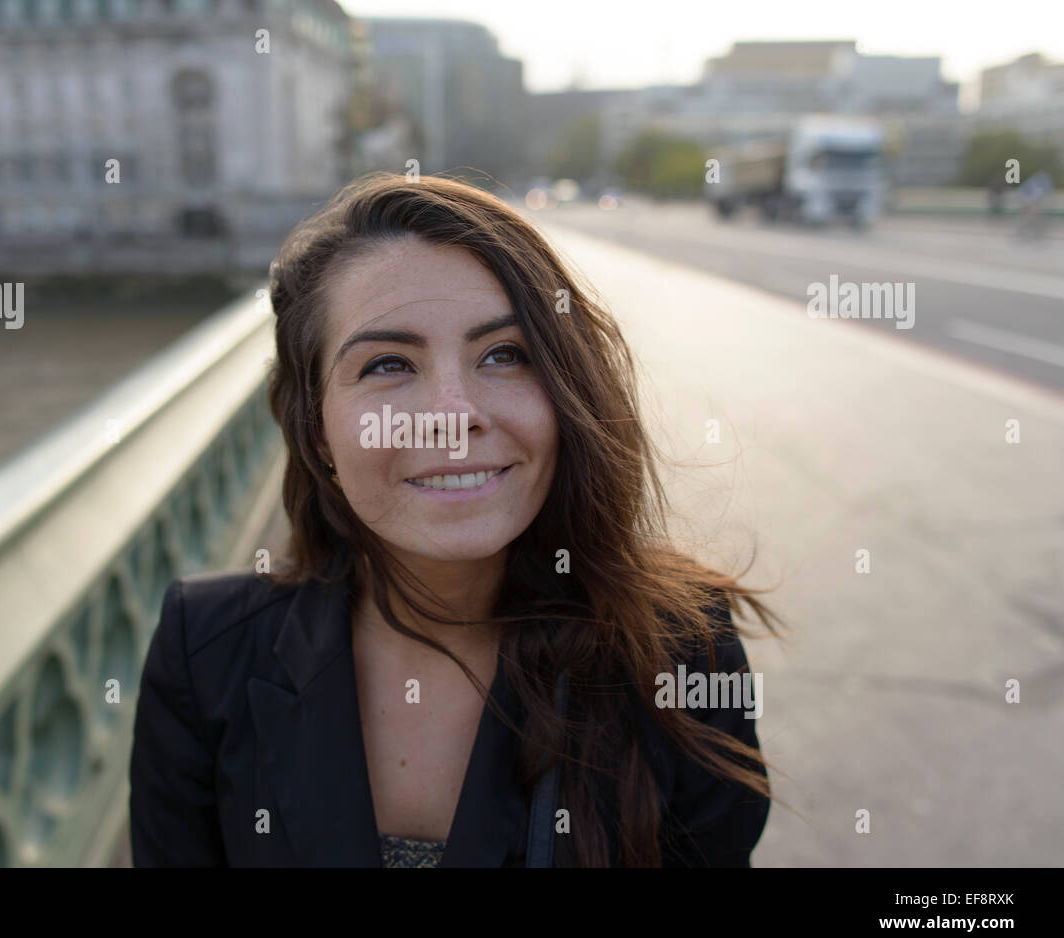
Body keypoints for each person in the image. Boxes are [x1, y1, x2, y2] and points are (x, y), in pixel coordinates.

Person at [129, 172, 781, 867]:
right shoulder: (204, 653)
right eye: (387, 364)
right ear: (318, 430)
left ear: (566, 388)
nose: (452, 416)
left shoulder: (682, 649)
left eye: (505, 355)